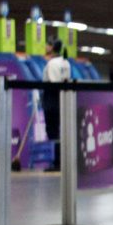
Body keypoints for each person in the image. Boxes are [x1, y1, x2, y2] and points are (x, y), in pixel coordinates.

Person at [42, 39, 71, 171]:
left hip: (53, 99)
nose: (45, 46)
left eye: (47, 44)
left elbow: (53, 83)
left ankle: (58, 162)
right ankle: (62, 161)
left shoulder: (52, 63)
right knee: (61, 130)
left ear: (52, 47)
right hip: (64, 99)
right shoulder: (66, 62)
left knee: (53, 131)